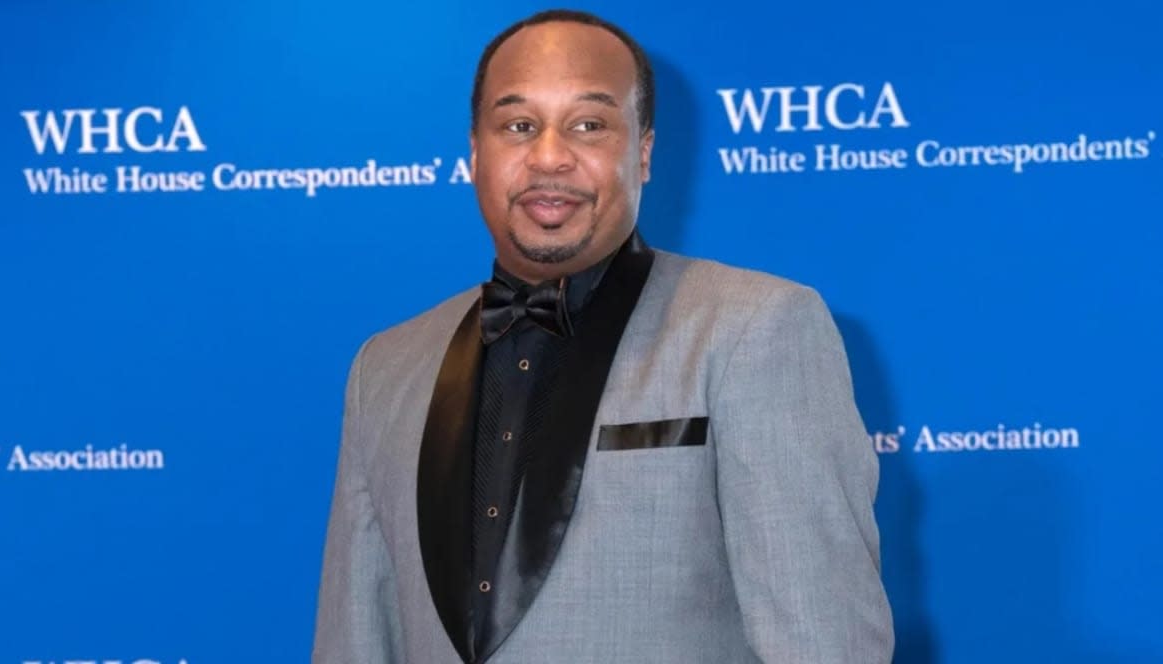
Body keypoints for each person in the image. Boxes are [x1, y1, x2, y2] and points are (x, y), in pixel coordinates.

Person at [313, 9, 893, 664]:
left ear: (642, 151)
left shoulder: (755, 329)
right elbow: (353, 642)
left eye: (589, 124)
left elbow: (826, 646)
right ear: (475, 153)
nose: (550, 156)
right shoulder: (385, 368)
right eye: (518, 125)